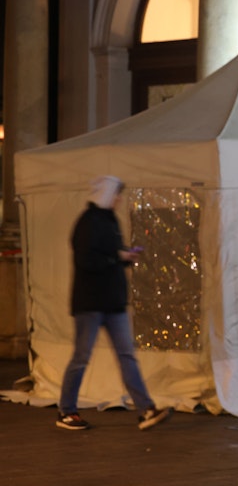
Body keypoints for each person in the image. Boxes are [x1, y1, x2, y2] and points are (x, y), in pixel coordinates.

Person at [56, 175, 173, 431]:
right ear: (107, 195)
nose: (120, 199)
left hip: (112, 301)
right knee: (82, 357)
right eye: (117, 194)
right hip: (91, 302)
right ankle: (67, 410)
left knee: (126, 355)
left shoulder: (109, 221)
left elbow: (108, 254)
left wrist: (124, 256)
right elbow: (87, 260)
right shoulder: (88, 223)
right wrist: (117, 257)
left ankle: (147, 409)